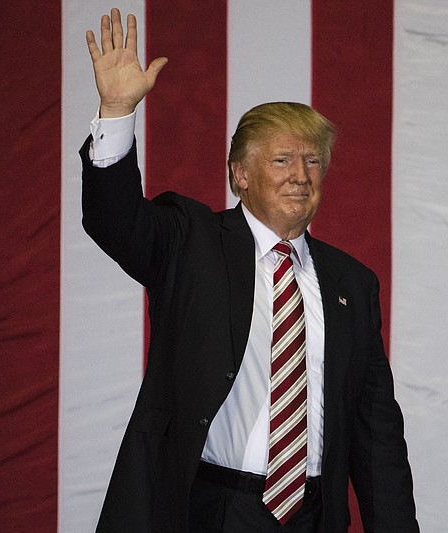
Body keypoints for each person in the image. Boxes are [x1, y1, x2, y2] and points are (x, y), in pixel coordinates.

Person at [81, 8, 419, 533]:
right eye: (282, 160)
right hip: (208, 510)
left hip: (312, 515)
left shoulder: (353, 282)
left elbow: (375, 432)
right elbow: (115, 221)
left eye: (312, 161)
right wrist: (117, 112)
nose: (301, 176)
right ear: (239, 174)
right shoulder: (191, 242)